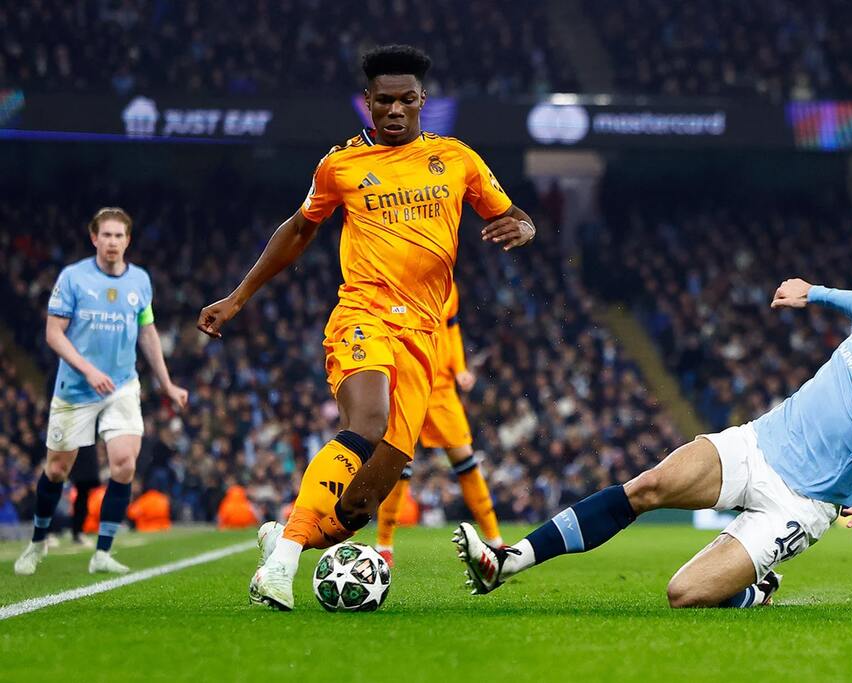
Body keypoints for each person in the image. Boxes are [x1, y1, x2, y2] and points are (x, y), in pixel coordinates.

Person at [197, 45, 535, 610]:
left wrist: (522, 229)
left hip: (424, 339)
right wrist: (237, 298)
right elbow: (299, 230)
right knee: (367, 421)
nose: (395, 110)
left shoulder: (457, 159)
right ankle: (279, 571)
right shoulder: (340, 166)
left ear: (423, 100)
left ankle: (284, 539)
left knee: (358, 508)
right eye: (384, 101)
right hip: (364, 315)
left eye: (406, 99)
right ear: (368, 102)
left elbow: (511, 214)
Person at [455, 235, 852, 607]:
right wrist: (815, 293)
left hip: (803, 501)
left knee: (685, 594)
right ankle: (507, 561)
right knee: (648, 485)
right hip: (757, 443)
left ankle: (753, 590)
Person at [14, 207, 188, 576]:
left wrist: (167, 383)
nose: (112, 242)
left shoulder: (140, 280)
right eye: (106, 235)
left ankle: (103, 552)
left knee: (125, 463)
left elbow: (148, 333)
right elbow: (53, 333)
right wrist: (89, 371)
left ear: (128, 240)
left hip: (122, 385)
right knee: (58, 469)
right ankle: (37, 540)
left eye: (119, 236)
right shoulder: (74, 278)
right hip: (76, 386)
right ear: (94, 238)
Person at [375, 283, 503, 567]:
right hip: (407, 383)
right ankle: (384, 544)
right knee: (399, 466)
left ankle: (495, 541)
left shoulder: (449, 286)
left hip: (442, 388)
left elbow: (452, 327)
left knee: (466, 461)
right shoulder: (398, 280)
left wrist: (460, 369)